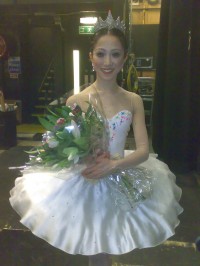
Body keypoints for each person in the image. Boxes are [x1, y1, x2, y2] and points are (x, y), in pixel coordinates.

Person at [9, 11, 183, 266]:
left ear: (124, 58)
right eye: (101, 53)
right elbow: (65, 145)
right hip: (86, 178)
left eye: (115, 54)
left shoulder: (132, 99)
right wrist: (84, 156)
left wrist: (113, 164)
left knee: (111, 241)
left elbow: (144, 150)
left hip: (120, 174)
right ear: (91, 57)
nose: (107, 61)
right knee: (93, 242)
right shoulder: (75, 101)